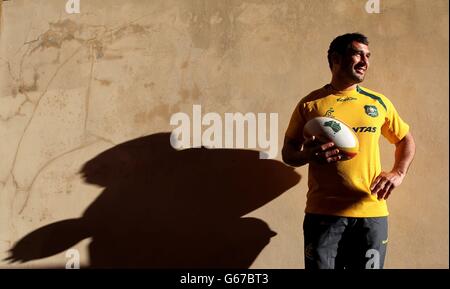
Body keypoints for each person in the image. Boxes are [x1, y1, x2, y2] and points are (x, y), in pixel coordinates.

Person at [282, 33, 416, 269]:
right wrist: (306, 155)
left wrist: (398, 172)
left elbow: (405, 140)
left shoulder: (378, 102)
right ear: (336, 58)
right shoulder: (310, 104)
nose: (365, 61)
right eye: (357, 54)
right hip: (323, 214)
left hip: (370, 213)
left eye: (368, 55)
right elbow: (288, 152)